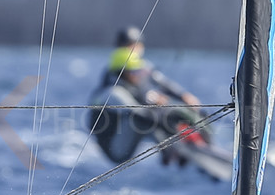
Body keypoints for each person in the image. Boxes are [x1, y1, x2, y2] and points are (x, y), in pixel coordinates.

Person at [87, 26, 211, 166]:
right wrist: (168, 115)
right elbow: (139, 114)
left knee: (159, 110)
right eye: (133, 73)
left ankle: (184, 142)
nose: (138, 75)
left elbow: (162, 83)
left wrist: (183, 99)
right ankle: (174, 147)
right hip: (116, 149)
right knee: (144, 117)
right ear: (122, 73)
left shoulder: (139, 67)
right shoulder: (113, 91)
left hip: (130, 128)